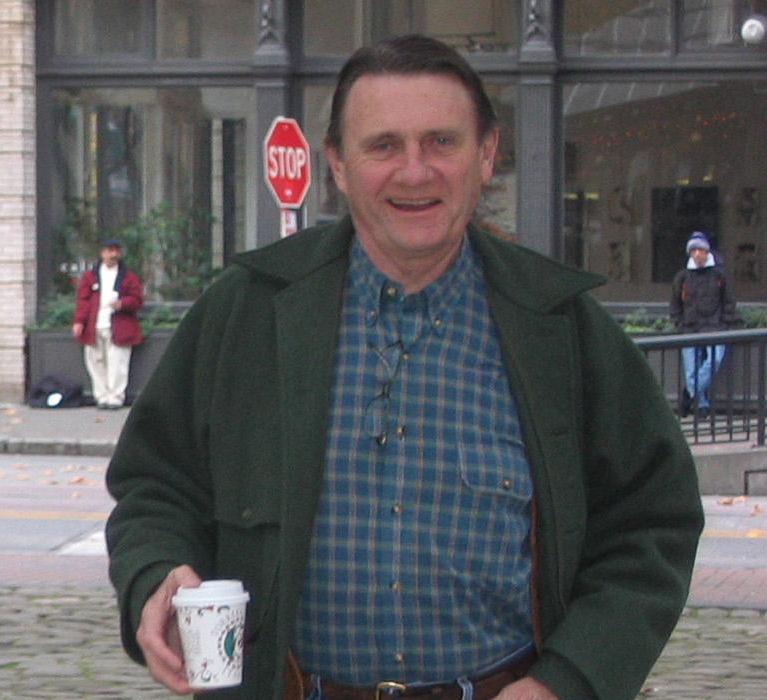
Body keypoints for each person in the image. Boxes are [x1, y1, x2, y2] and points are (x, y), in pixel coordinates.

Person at [105, 35, 701, 700]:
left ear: (486, 155)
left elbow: (652, 521)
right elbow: (155, 487)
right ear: (337, 162)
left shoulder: (560, 327)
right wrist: (156, 574)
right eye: (383, 145)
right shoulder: (245, 313)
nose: (414, 172)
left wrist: (568, 679)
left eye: (441, 142)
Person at [670, 231, 739, 417]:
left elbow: (728, 300)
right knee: (691, 369)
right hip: (690, 327)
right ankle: (701, 404)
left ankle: (689, 393)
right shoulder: (683, 277)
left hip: (715, 326)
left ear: (707, 251)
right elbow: (675, 303)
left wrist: (726, 322)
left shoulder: (719, 275)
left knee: (714, 360)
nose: (697, 254)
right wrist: (679, 322)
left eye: (700, 250)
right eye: (693, 251)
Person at [72, 238, 143, 409]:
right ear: (102, 253)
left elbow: (137, 300)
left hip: (119, 325)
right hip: (94, 325)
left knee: (117, 363)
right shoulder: (89, 277)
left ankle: (115, 397)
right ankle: (102, 396)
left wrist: (122, 304)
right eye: (109, 250)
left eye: (115, 251)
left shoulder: (128, 277)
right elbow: (83, 300)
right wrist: (79, 321)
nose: (113, 254)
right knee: (96, 361)